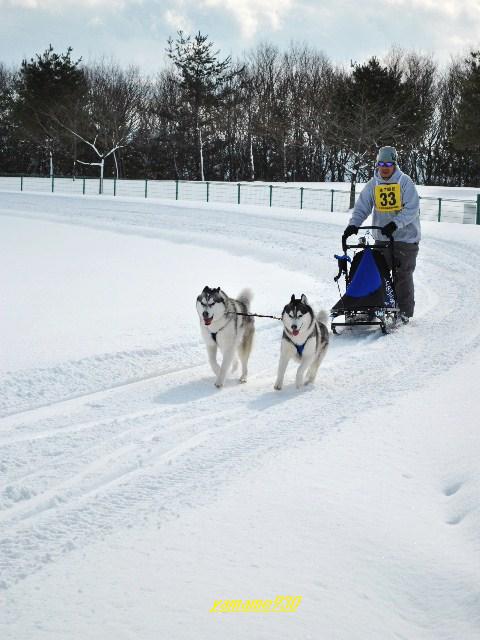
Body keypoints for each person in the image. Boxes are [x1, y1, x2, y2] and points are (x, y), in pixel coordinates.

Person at [342, 146, 421, 323]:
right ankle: (376, 307)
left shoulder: (404, 182)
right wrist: (353, 225)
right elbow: (363, 206)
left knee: (402, 276)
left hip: (405, 239)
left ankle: (404, 312)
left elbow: (412, 208)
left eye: (389, 164)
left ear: (394, 165)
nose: (385, 167)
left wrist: (395, 224)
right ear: (377, 165)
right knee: (377, 274)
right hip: (382, 238)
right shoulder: (373, 184)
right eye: (381, 164)